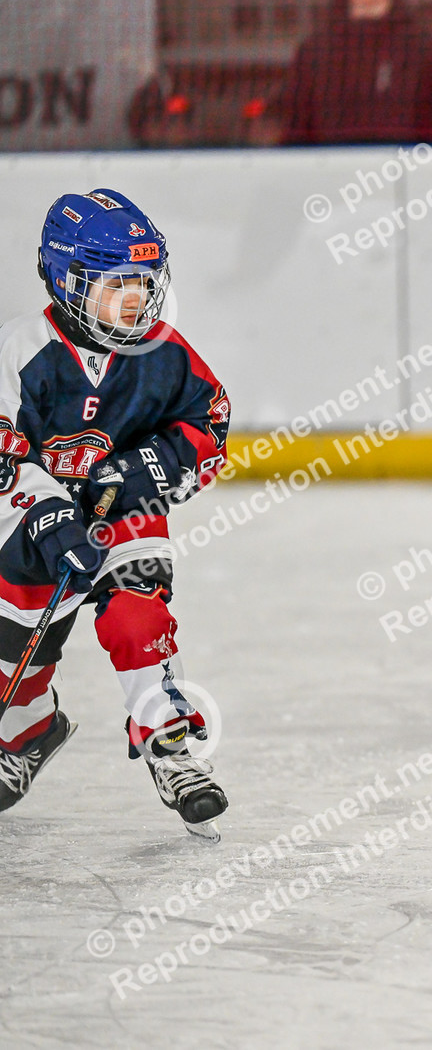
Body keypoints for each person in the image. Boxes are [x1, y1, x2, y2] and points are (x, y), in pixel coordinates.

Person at [0, 189, 230, 839]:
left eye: (142, 281)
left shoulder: (164, 352)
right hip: (32, 527)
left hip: (125, 514)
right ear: (65, 280)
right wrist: (49, 516)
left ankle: (170, 745)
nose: (134, 299)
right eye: (114, 284)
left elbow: (211, 425)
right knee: (15, 659)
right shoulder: (20, 350)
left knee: (137, 617)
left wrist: (145, 467)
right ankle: (30, 731)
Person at [278, 0, 432, 145]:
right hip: (331, 171)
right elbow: (295, 138)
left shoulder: (424, 49)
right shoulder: (314, 53)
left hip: (404, 170)